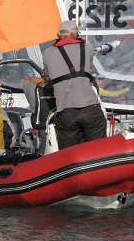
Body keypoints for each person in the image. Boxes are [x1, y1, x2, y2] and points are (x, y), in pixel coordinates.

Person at [41, 20, 107, 149]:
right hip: (90, 108)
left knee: (70, 154)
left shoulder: (47, 53)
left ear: (58, 35)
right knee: (99, 150)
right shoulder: (87, 48)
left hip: (65, 112)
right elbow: (90, 70)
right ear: (76, 34)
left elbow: (47, 79)